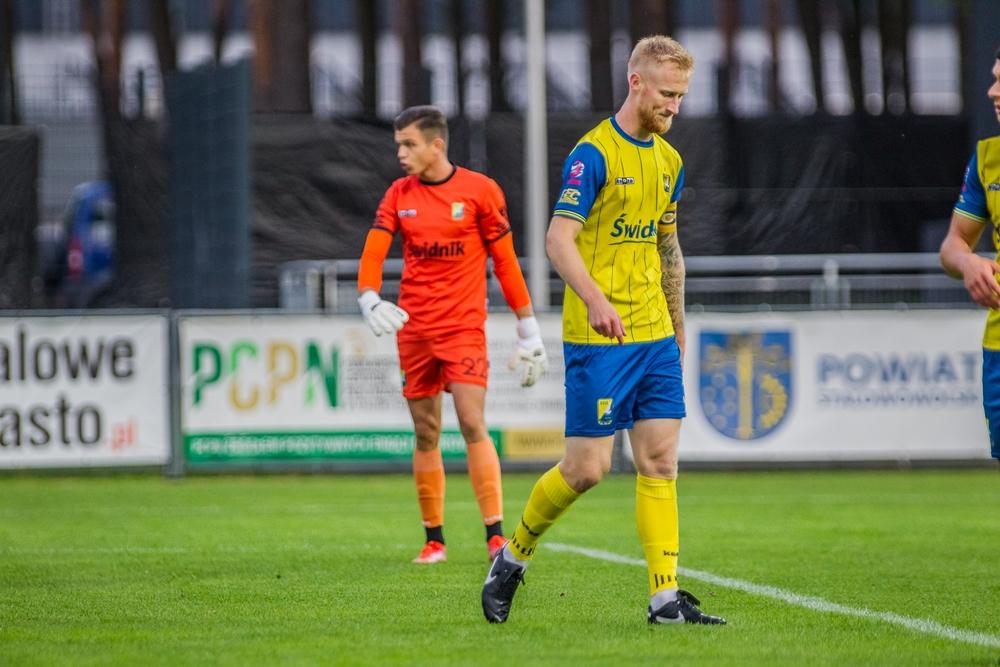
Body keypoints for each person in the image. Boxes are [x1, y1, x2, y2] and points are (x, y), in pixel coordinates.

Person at [482, 35, 726, 626]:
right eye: (667, 94)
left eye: (682, 96)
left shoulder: (670, 162)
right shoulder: (592, 154)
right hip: (599, 340)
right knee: (587, 469)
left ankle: (664, 599)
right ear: (636, 83)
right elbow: (557, 240)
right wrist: (593, 299)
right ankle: (512, 558)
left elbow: (669, 249)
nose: (675, 106)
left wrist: (678, 328)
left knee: (660, 460)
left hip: (654, 334)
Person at [357, 105, 549, 564]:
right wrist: (369, 297)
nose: (401, 154)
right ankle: (434, 539)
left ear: (436, 145)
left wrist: (528, 330)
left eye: (409, 145)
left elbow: (506, 263)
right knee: (426, 432)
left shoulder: (480, 191)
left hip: (463, 328)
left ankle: (495, 536)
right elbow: (374, 250)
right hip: (414, 331)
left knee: (471, 422)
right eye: (399, 145)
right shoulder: (398, 194)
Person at [939, 46, 1000, 461]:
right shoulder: (987, 159)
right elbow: (952, 244)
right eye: (994, 79)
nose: (992, 92)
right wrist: (968, 261)